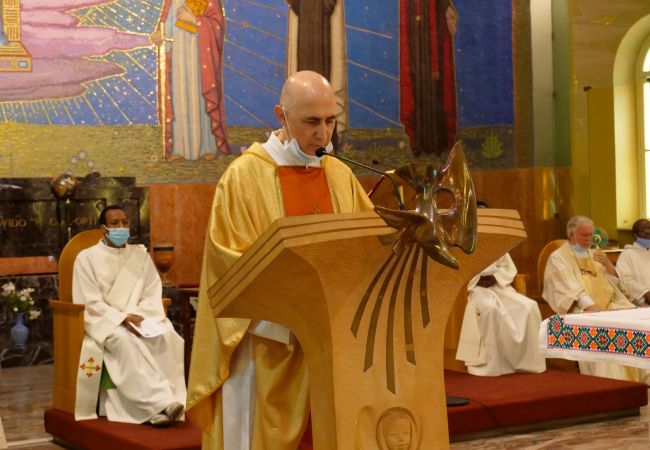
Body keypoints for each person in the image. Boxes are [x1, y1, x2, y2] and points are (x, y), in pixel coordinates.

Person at [186, 70, 374, 449]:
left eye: (331, 121)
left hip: (332, 343)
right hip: (268, 343)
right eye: (312, 122)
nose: (323, 134)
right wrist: (294, 315)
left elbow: (367, 247)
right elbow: (229, 266)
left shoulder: (339, 175)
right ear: (281, 115)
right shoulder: (244, 177)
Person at [72, 205, 186, 426]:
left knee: (166, 336)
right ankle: (163, 403)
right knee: (124, 340)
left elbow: (151, 293)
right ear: (103, 228)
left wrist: (139, 317)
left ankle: (155, 410)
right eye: (115, 223)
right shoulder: (86, 258)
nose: (121, 227)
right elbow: (90, 301)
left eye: (125, 222)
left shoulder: (140, 256)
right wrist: (122, 319)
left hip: (140, 319)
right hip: (106, 322)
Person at [542, 215, 649, 383]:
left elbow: (619, 287)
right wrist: (591, 306)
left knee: (638, 324)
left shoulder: (595, 255)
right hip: (583, 309)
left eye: (591, 234)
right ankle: (613, 383)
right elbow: (567, 288)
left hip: (611, 305)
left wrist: (608, 265)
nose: (588, 239)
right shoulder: (559, 257)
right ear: (572, 235)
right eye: (584, 235)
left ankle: (641, 381)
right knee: (609, 330)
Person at [153, 0, 229, 160]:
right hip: (177, 58)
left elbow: (217, 26)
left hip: (199, 57)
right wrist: (159, 36)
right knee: (178, 98)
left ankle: (207, 146)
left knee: (199, 96)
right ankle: (178, 148)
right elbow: (166, 25)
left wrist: (195, 21)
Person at [455, 251, 546, 376]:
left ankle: (529, 362)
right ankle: (492, 365)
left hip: (499, 287)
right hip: (475, 289)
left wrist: (495, 275)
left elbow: (508, 268)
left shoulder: (495, 243)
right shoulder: (465, 244)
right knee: (490, 309)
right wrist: (480, 276)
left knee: (530, 307)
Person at [616, 218, 650, 306]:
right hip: (642, 303)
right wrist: (645, 293)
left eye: (649, 228)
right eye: (642, 230)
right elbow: (625, 280)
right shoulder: (627, 255)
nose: (647, 232)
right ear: (635, 235)